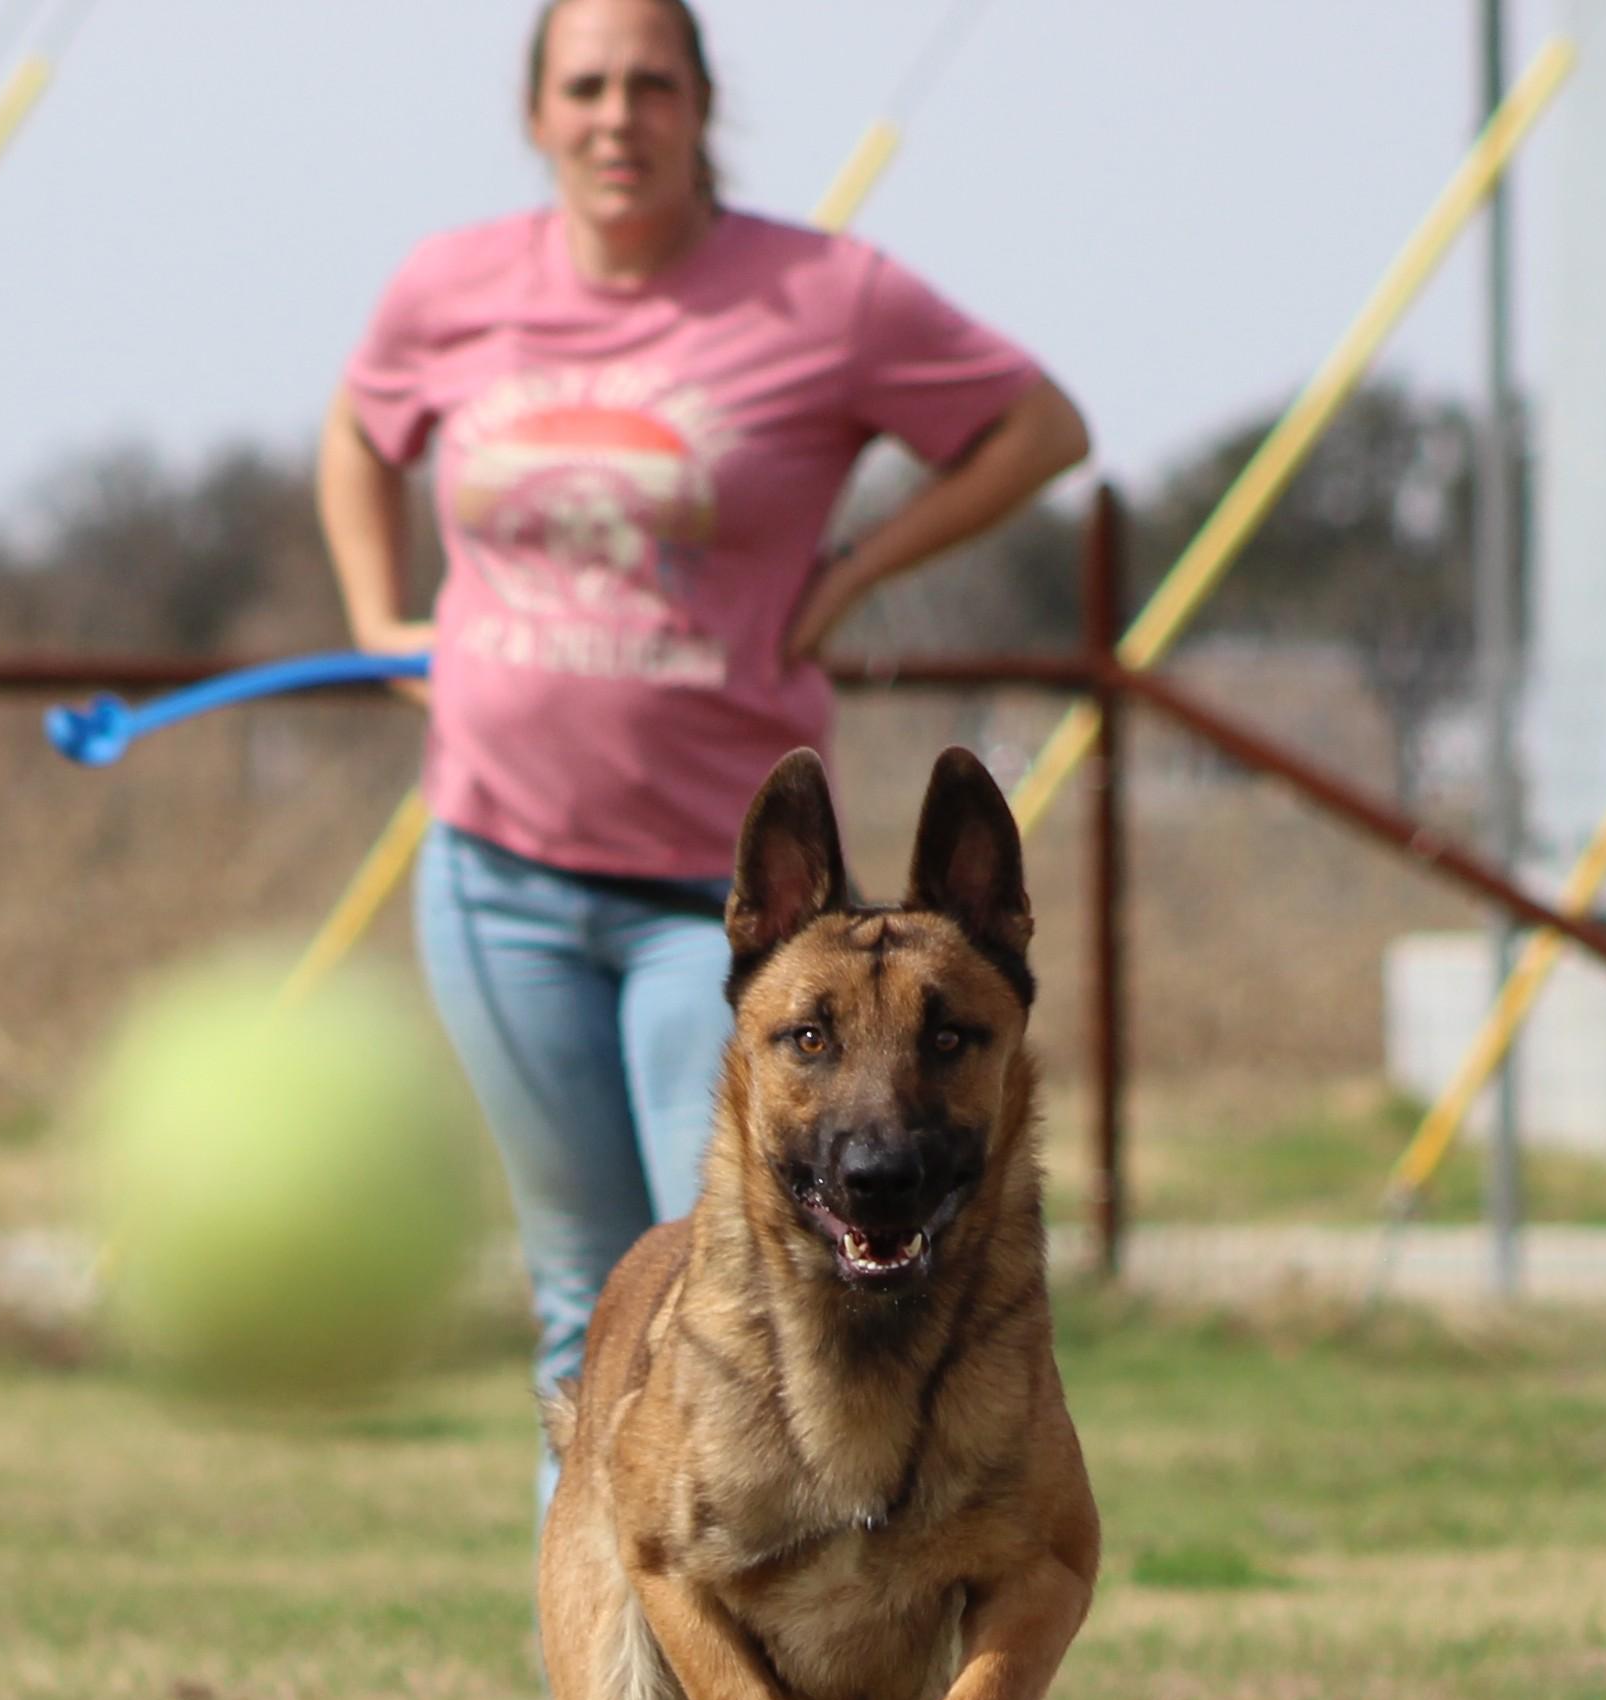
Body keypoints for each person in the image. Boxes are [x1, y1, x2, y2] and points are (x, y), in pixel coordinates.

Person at [317, 0, 1088, 1521]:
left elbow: (1037, 427)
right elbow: (361, 429)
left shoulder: (823, 293)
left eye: (650, 85)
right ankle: (600, 1678)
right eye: (586, 86)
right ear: (537, 112)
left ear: (701, 105)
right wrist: (374, 618)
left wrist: (857, 565)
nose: (618, 116)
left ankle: (780, 1642)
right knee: (582, 1293)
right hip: (495, 867)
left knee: (736, 1272)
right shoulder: (453, 284)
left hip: (723, 918)